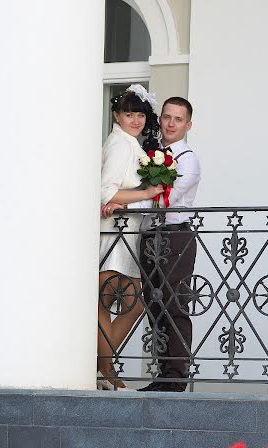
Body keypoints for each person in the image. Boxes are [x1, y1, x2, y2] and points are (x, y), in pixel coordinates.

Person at [98, 84, 163, 389]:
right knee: (114, 301)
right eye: (128, 113)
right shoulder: (121, 144)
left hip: (127, 234)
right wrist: (146, 192)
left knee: (126, 302)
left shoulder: (130, 144)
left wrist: (133, 198)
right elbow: (106, 190)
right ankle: (105, 370)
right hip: (114, 236)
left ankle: (102, 368)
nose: (135, 120)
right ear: (117, 115)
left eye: (139, 114)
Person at [138, 97, 201, 392]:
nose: (171, 124)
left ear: (188, 124)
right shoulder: (149, 153)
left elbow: (166, 198)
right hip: (151, 236)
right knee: (154, 302)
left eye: (178, 119)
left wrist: (123, 201)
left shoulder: (188, 159)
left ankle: (176, 377)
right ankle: (162, 372)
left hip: (176, 236)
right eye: (167, 117)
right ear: (160, 119)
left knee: (175, 303)